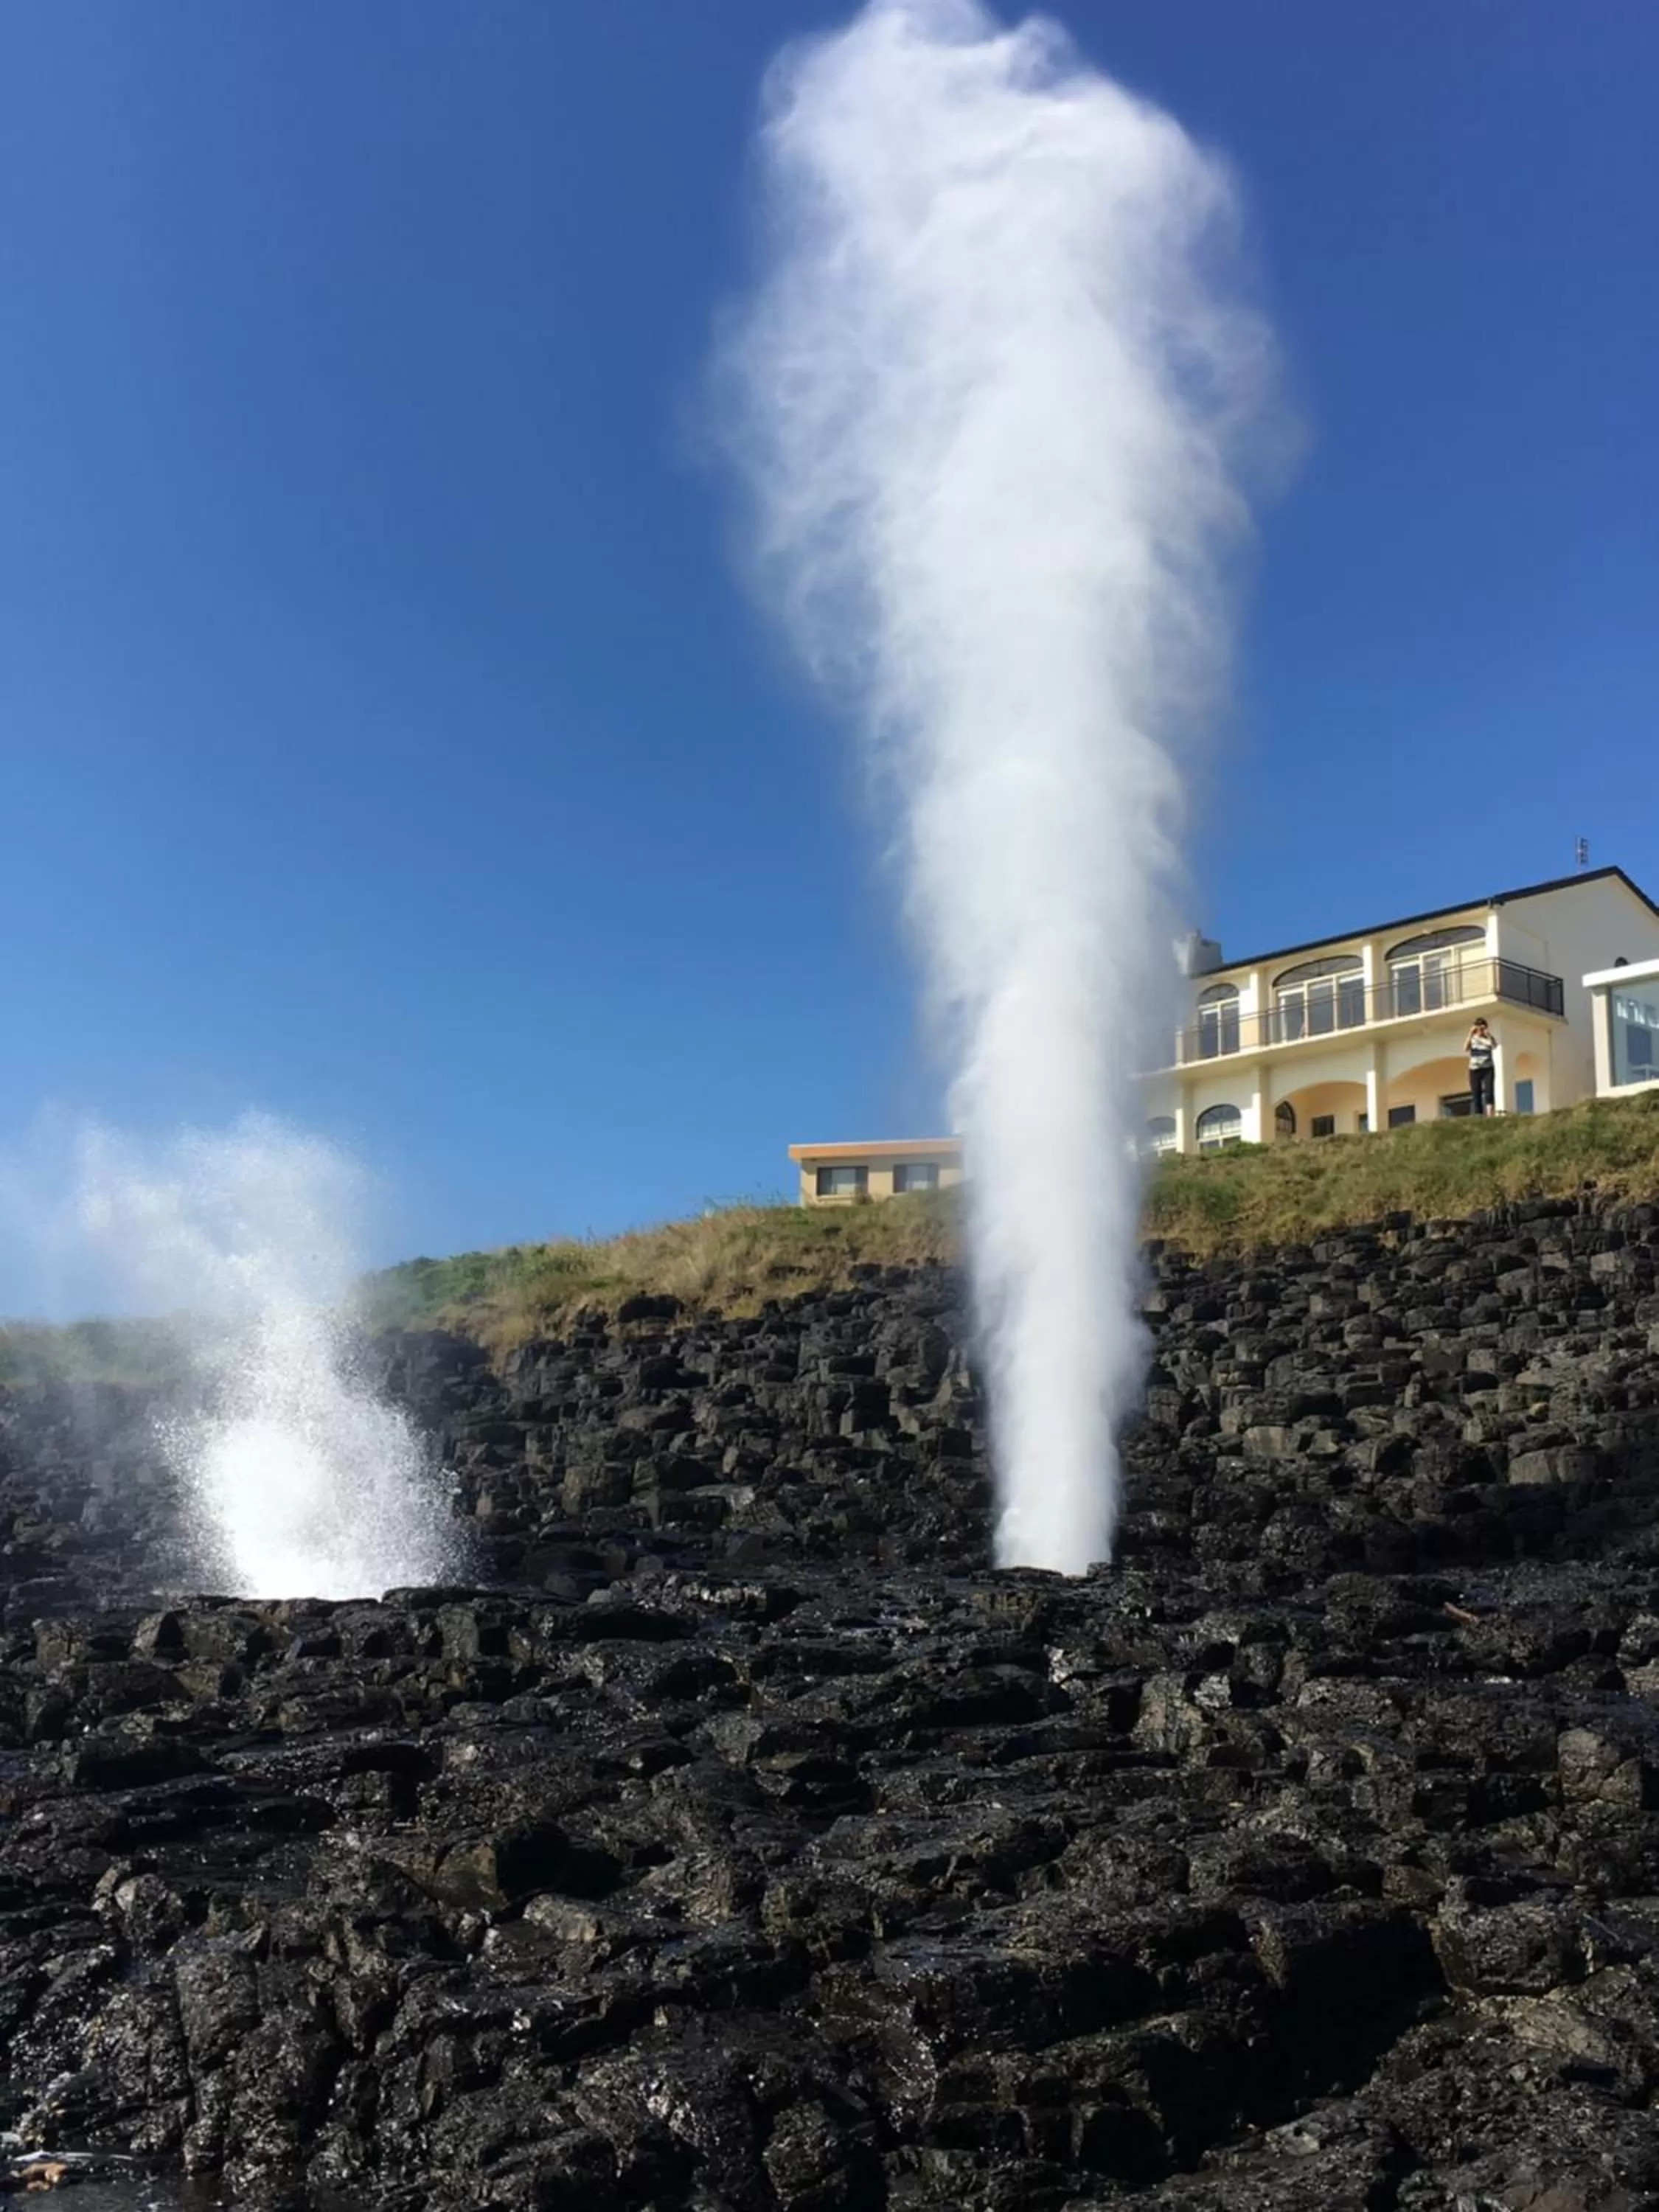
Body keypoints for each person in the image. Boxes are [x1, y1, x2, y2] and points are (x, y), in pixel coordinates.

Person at [1465, 1018, 1497, 1117]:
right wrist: (1470, 1033)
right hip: (1474, 1069)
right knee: (1476, 1093)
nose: (1480, 1030)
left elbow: (1494, 1045)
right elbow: (1465, 1048)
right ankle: (1479, 1116)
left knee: (1489, 1092)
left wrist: (1488, 1034)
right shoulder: (1473, 1039)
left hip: (1488, 1068)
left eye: (1482, 1027)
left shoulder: (1488, 1039)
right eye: (1478, 1027)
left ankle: (1490, 1115)